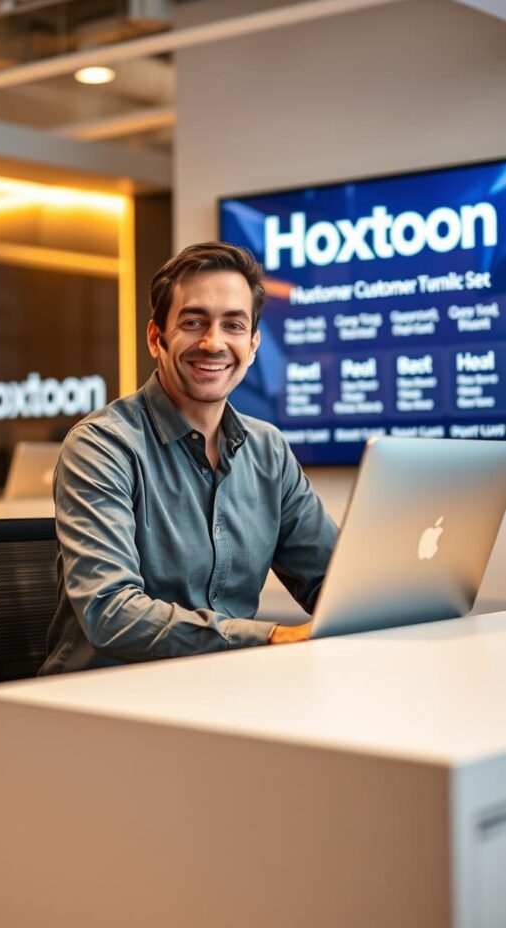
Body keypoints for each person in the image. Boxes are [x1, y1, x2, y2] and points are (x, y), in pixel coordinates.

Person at [40, 242, 338, 675]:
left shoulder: (268, 450)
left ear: (253, 345)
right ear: (156, 338)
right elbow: (110, 613)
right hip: (105, 700)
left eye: (233, 325)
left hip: (222, 688)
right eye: (193, 322)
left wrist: (385, 604)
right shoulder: (102, 446)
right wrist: (270, 636)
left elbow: (332, 581)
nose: (213, 343)